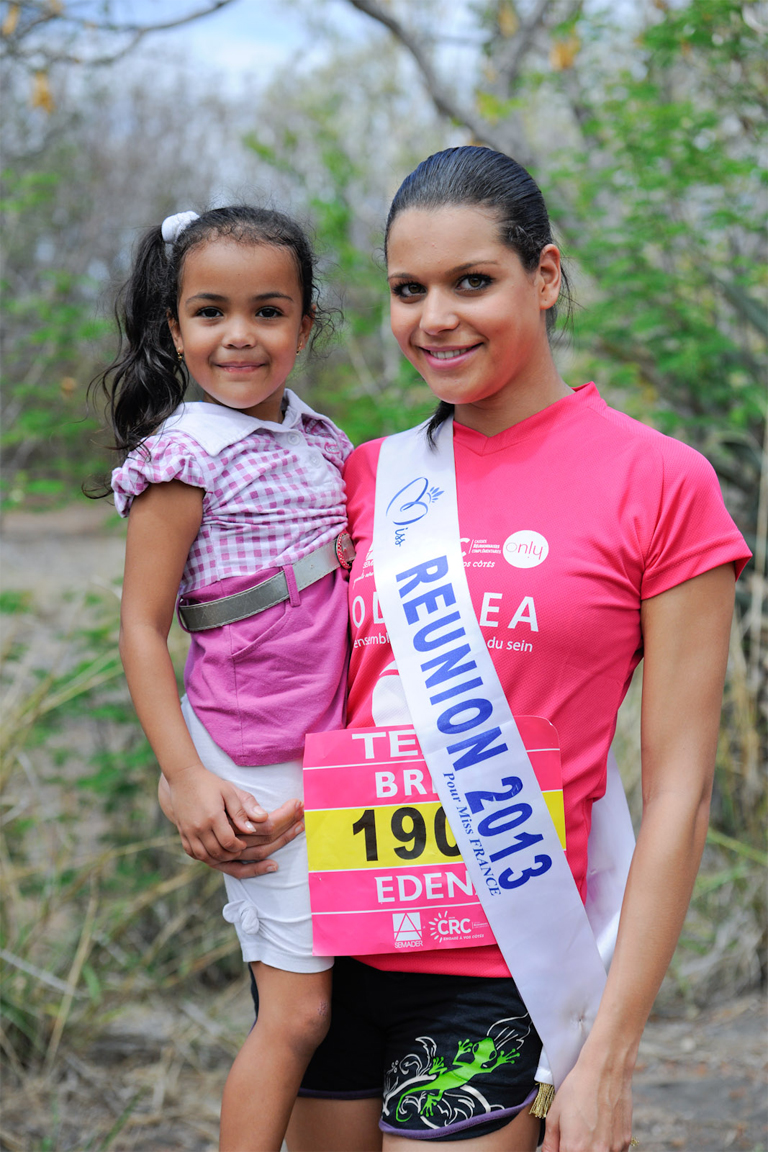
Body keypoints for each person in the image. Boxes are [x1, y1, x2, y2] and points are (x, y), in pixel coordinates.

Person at [276, 147, 748, 1152]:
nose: (434, 318)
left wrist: (609, 1055)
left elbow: (680, 795)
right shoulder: (366, 477)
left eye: (472, 282)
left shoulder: (659, 483)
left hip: (508, 963)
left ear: (545, 275)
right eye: (410, 290)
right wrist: (191, 779)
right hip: (332, 960)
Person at [96, 205, 353, 1152]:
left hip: (336, 753)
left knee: (342, 1004)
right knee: (295, 1017)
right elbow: (139, 625)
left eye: (268, 311)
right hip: (250, 756)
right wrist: (187, 775)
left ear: (306, 325)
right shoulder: (183, 455)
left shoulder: (324, 440)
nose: (238, 335)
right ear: (175, 329)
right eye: (210, 312)